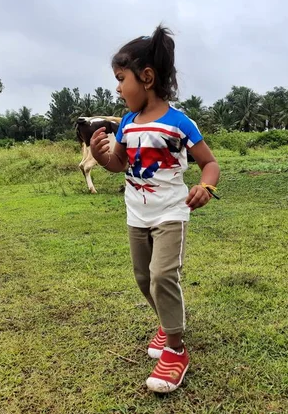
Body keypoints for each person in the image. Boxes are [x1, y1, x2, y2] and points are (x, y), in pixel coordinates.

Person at [89, 25, 220, 393]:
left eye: (120, 79)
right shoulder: (127, 124)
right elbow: (119, 163)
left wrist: (205, 186)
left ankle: (176, 350)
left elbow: (210, 164)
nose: (117, 88)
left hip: (170, 214)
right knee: (144, 279)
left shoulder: (180, 123)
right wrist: (102, 158)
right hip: (136, 215)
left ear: (146, 77)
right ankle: (166, 322)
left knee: (163, 276)